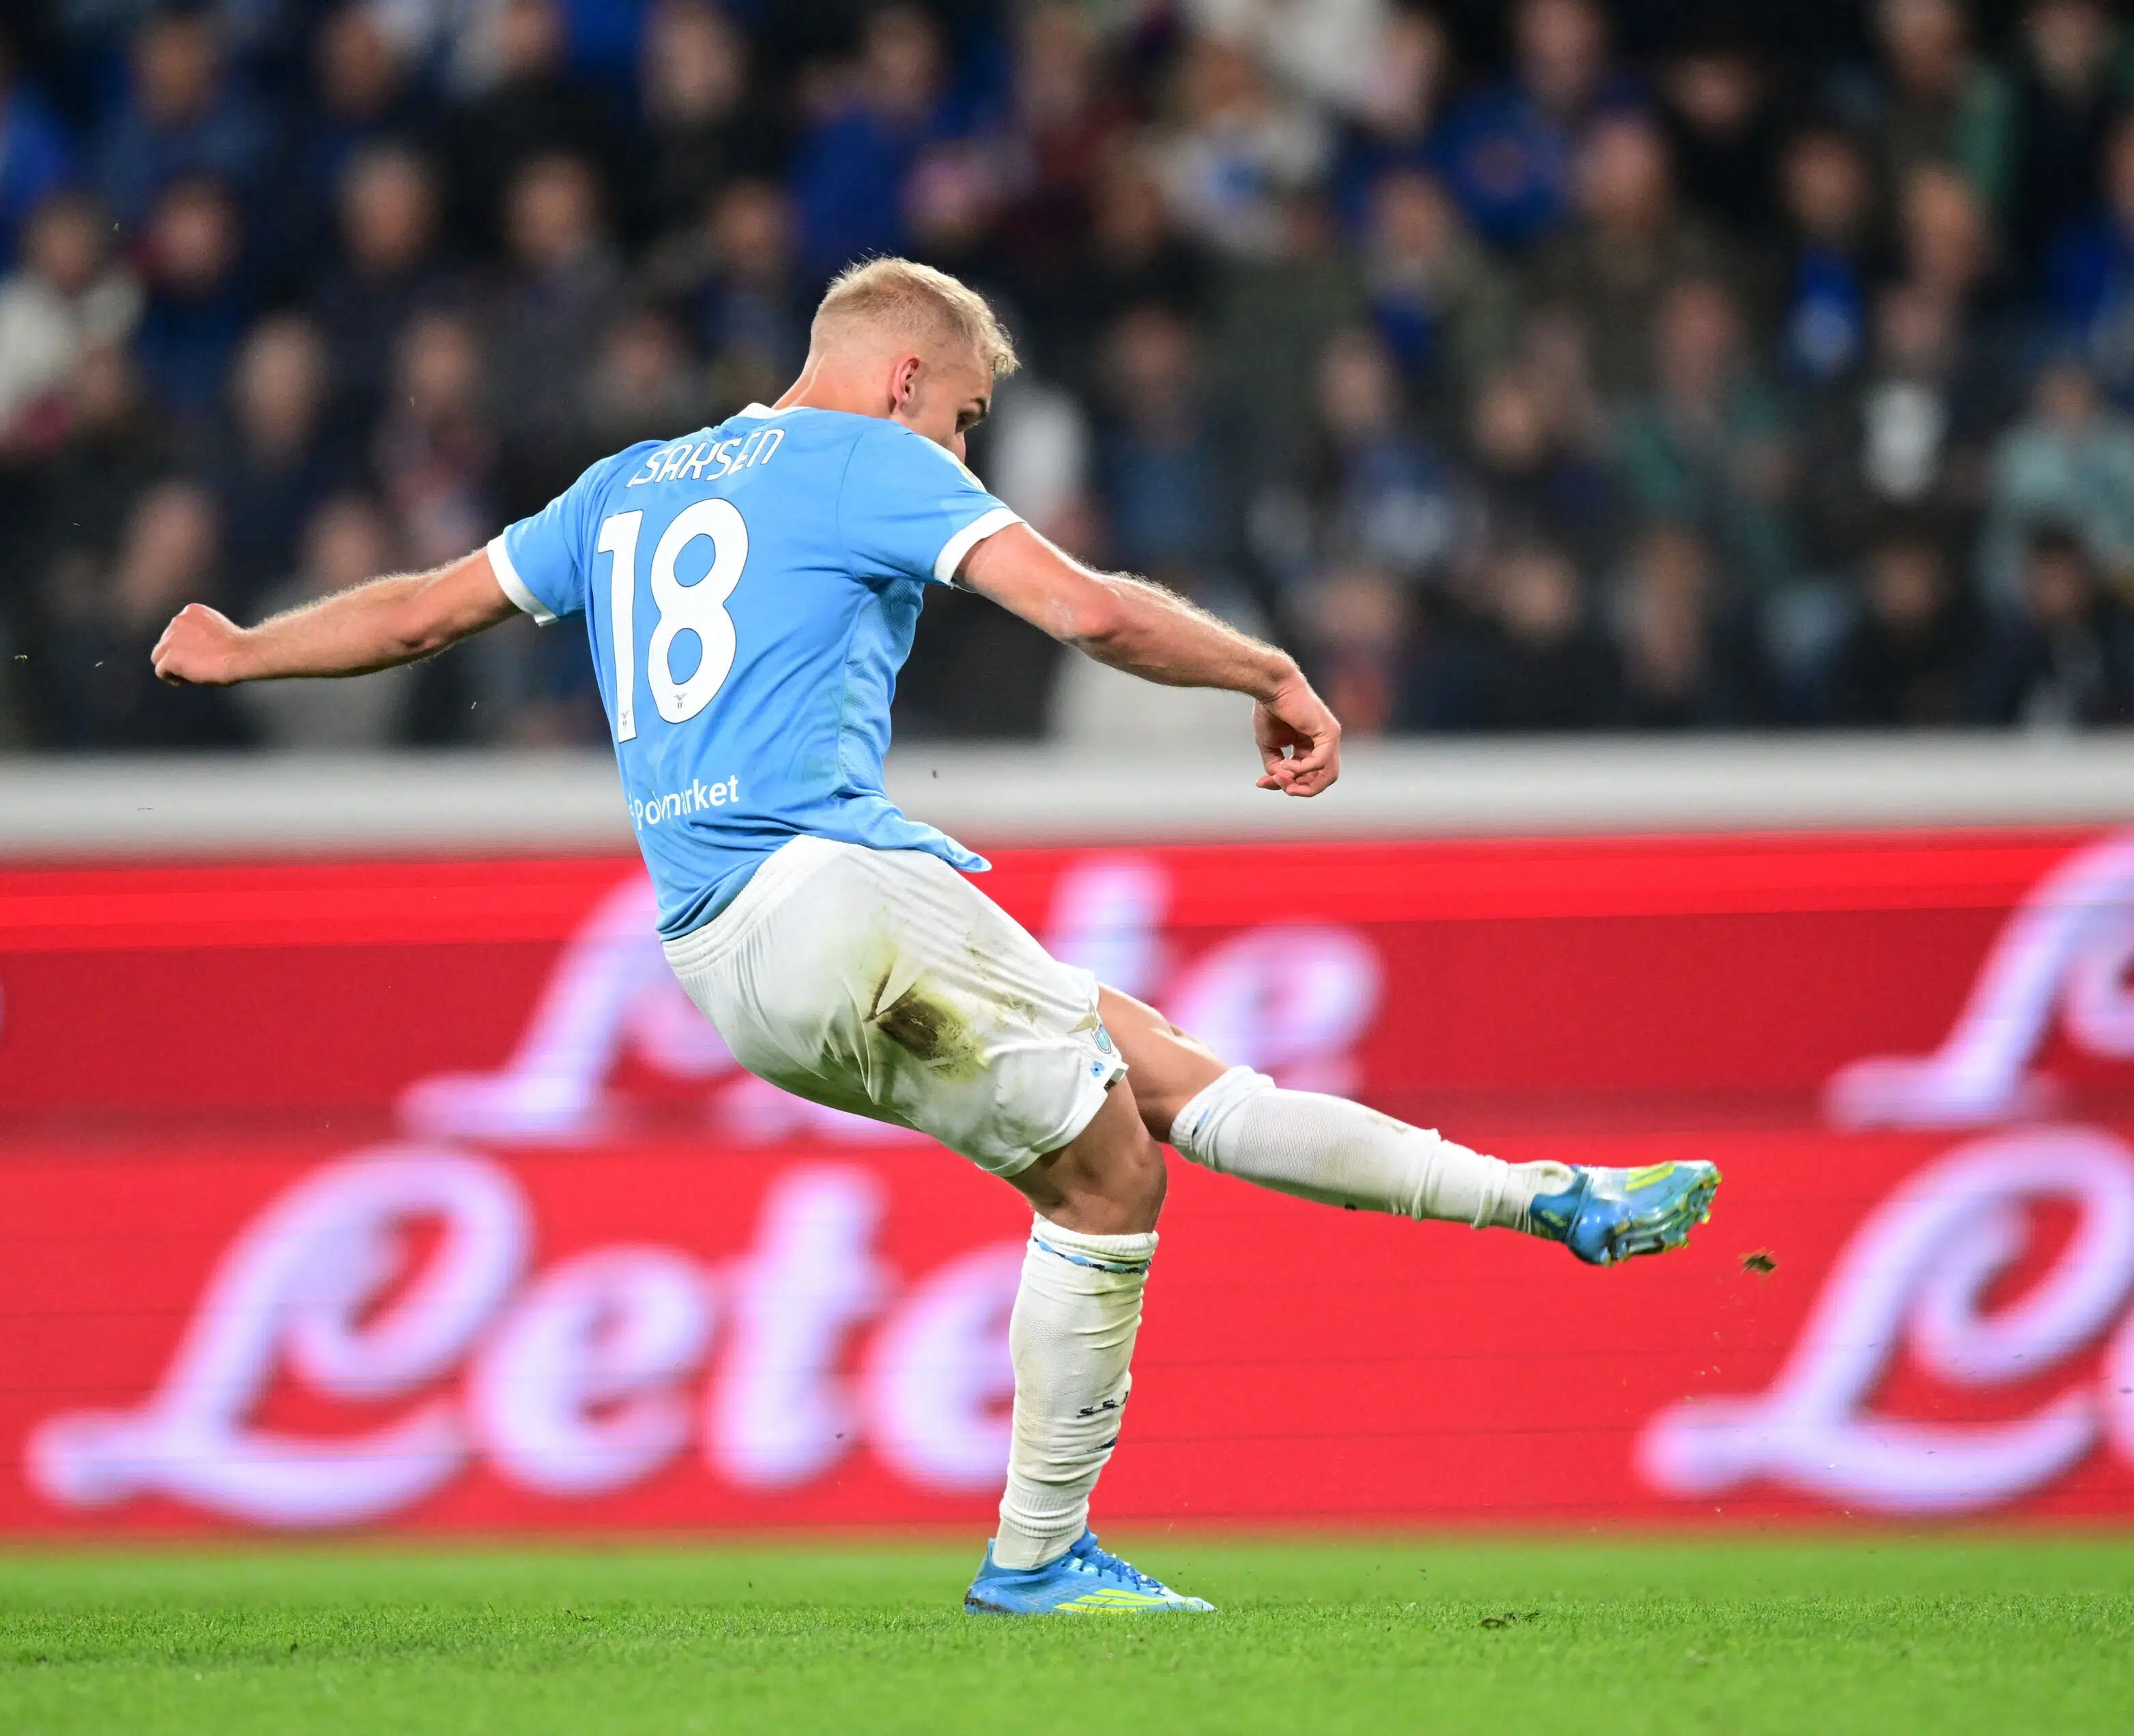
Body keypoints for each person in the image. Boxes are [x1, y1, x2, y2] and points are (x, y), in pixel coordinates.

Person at [148, 257, 1720, 1614]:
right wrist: (1269, 667)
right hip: (833, 890)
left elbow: (423, 610)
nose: (966, 446)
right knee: (1111, 1176)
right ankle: (1039, 1556)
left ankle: (1545, 1201)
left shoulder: (628, 486)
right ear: (906, 376)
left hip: (715, 952)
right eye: (966, 416)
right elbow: (1090, 613)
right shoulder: (867, 457)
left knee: (1163, 1080)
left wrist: (243, 651)